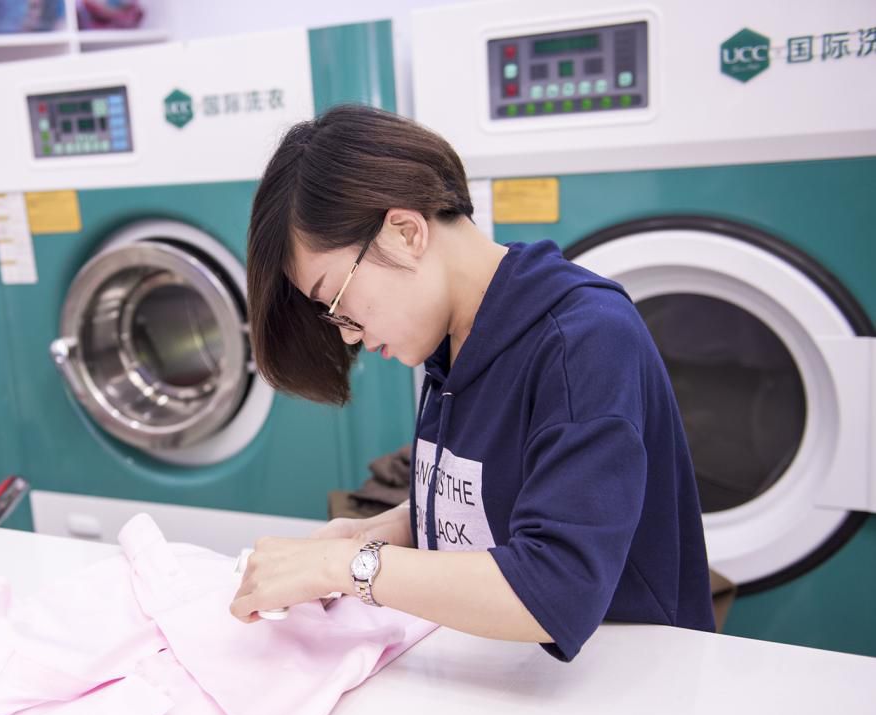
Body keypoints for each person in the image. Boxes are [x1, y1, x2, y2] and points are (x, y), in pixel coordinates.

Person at [229, 104, 715, 661]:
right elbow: (503, 500)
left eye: (335, 300)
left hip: (631, 674)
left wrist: (345, 566)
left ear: (405, 232)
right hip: (517, 672)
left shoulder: (585, 340)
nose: (346, 335)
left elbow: (556, 589)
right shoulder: (455, 343)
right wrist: (378, 532)